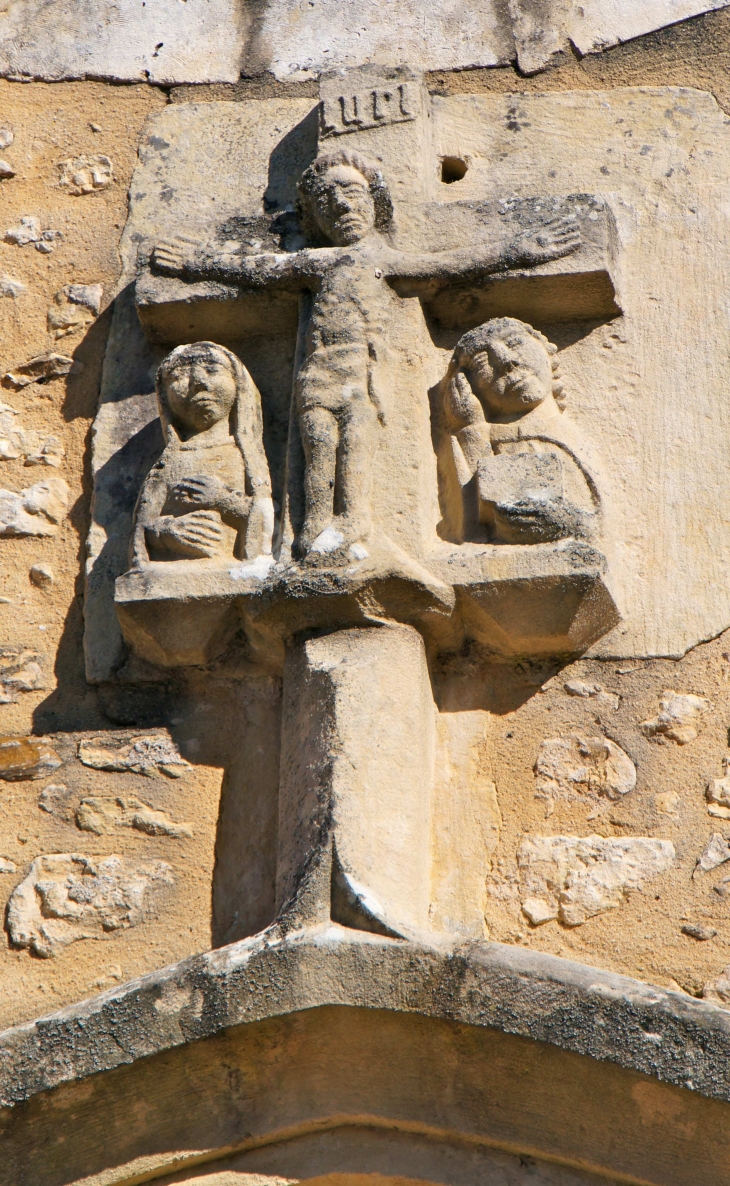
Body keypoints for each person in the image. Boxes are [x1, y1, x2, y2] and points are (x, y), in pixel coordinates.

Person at [151, 150, 580, 560]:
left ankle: (352, 519)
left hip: (363, 376)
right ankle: (317, 525)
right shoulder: (316, 264)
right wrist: (197, 263)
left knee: (355, 439)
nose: (341, 205)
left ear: (375, 203)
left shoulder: (382, 259)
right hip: (319, 374)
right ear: (315, 217)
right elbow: (259, 270)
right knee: (319, 440)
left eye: (352, 193)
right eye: (326, 199)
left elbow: (452, 263)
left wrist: (519, 250)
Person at [438, 317, 602, 544]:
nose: (506, 361)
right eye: (483, 363)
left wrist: (566, 522)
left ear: (546, 352)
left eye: (514, 343)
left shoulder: (569, 435)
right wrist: (472, 431)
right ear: (467, 386)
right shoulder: (487, 438)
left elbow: (599, 525)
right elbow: (476, 527)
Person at [131, 341, 274, 566]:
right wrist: (168, 531)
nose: (198, 382)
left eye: (212, 370)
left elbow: (266, 520)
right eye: (180, 375)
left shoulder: (244, 455)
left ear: (237, 384)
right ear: (164, 396)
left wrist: (223, 499)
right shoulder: (170, 460)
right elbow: (141, 531)